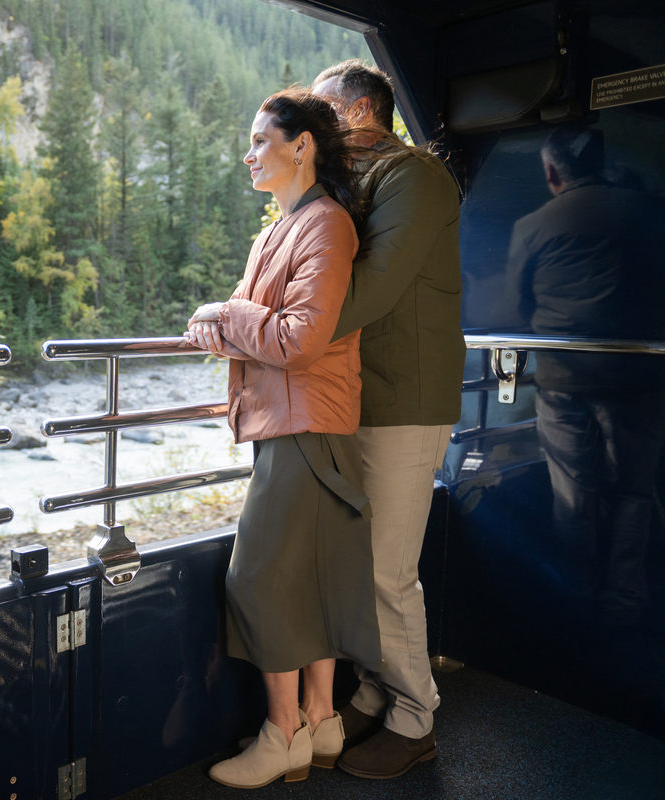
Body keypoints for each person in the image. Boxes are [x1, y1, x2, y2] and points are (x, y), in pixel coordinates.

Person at [183, 89, 384, 790]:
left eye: (259, 140)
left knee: (259, 580)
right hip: (292, 424)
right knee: (309, 580)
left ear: (302, 146)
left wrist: (225, 313)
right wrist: (226, 323)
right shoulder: (280, 229)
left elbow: (297, 340)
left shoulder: (326, 225)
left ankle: (283, 734)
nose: (248, 154)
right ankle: (321, 721)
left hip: (307, 426)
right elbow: (253, 329)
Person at [310, 60, 464, 779]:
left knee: (386, 570)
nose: (313, 130)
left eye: (323, 113)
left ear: (360, 111)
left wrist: (276, 333)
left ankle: (414, 719)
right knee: (359, 564)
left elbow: (370, 289)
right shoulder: (352, 185)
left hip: (406, 401)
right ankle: (375, 688)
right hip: (357, 397)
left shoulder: (415, 178)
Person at [507, 125, 665, 628]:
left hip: (564, 380)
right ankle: (626, 601)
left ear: (552, 172)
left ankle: (576, 599)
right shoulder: (646, 212)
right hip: (640, 377)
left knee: (573, 495)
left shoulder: (532, 225)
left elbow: (516, 306)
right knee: (633, 492)